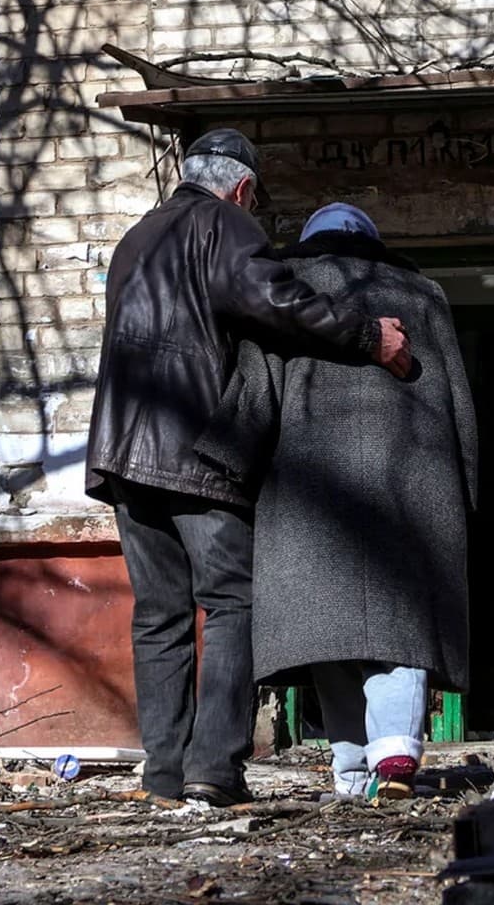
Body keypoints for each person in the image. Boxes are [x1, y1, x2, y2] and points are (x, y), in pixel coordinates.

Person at [86, 132, 412, 807]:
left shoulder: (136, 237)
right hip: (197, 447)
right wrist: (366, 336)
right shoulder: (224, 225)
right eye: (255, 198)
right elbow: (277, 301)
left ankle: (164, 775)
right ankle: (214, 767)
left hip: (122, 450)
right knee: (232, 604)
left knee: (159, 615)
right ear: (241, 189)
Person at [197, 202, 477, 802]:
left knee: (327, 634)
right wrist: (467, 490)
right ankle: (395, 750)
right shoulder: (424, 294)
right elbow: (460, 400)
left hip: (308, 490)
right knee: (400, 626)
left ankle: (351, 772)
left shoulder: (287, 291)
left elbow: (256, 388)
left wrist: (224, 463)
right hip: (414, 481)